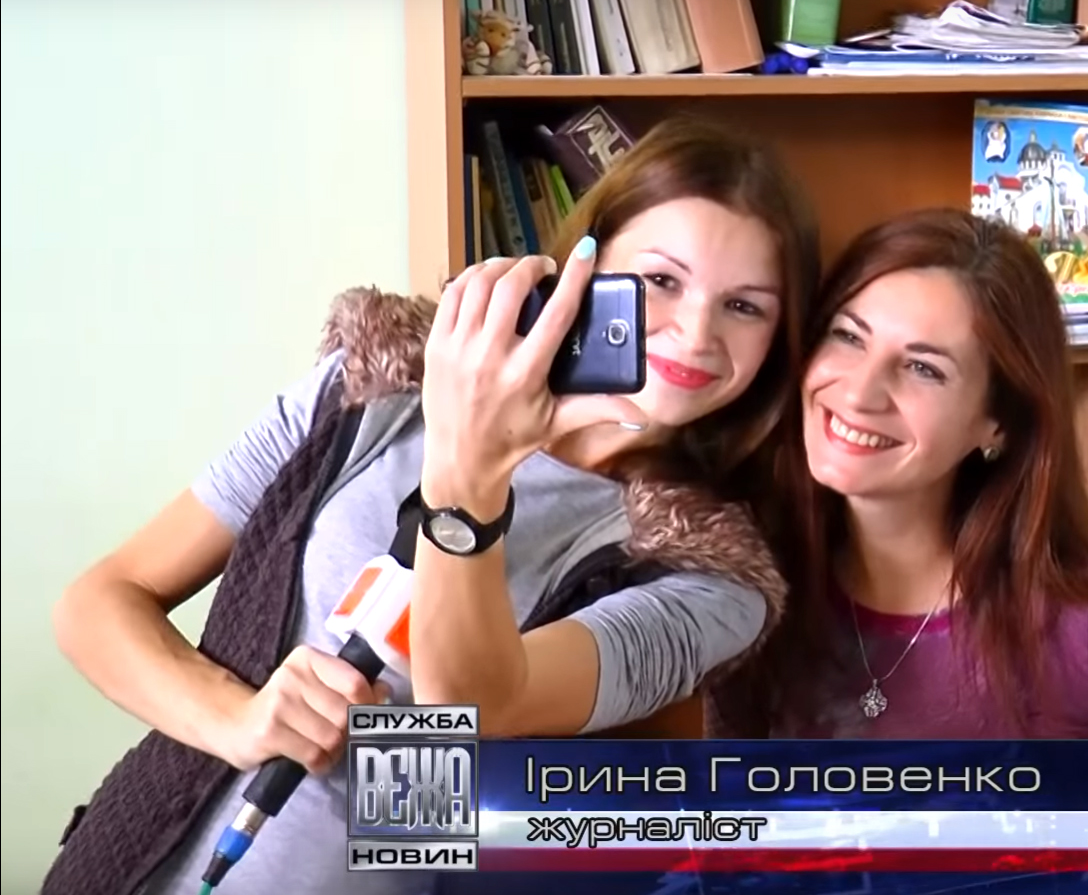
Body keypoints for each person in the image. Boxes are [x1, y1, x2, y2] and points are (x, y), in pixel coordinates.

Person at [43, 117, 819, 895]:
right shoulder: (378, 387)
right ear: (584, 271)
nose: (695, 332)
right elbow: (99, 602)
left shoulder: (707, 577)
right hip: (124, 864)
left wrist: (466, 477)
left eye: (745, 306)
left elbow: (476, 703)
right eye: (661, 281)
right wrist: (235, 720)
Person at [710, 208, 1088, 740]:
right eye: (849, 336)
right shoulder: (751, 603)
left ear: (997, 423)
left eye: (923, 368)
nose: (859, 392)